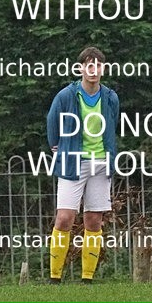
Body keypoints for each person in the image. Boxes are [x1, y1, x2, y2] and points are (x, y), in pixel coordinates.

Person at [46, 47, 119, 284]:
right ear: (80, 69)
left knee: (94, 220)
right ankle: (55, 276)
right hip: (72, 162)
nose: (93, 70)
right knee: (65, 217)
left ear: (103, 69)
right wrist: (56, 146)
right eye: (89, 65)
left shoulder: (110, 97)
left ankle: (87, 277)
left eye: (97, 65)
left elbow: (112, 123)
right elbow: (52, 121)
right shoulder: (66, 95)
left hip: (100, 162)